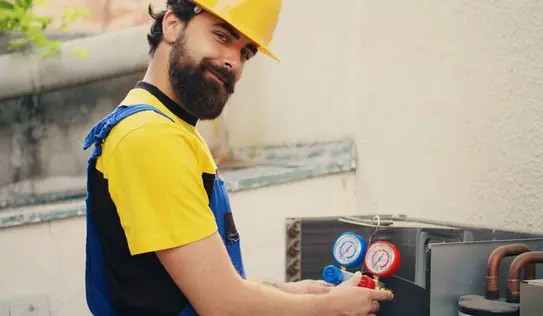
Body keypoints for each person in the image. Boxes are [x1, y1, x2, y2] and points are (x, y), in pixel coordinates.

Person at [82, 0, 394, 315]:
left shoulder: (172, 129)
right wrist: (329, 308)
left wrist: (286, 292)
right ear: (173, 25)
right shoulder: (151, 137)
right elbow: (223, 305)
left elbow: (192, 283)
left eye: (245, 53)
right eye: (222, 36)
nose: (233, 61)